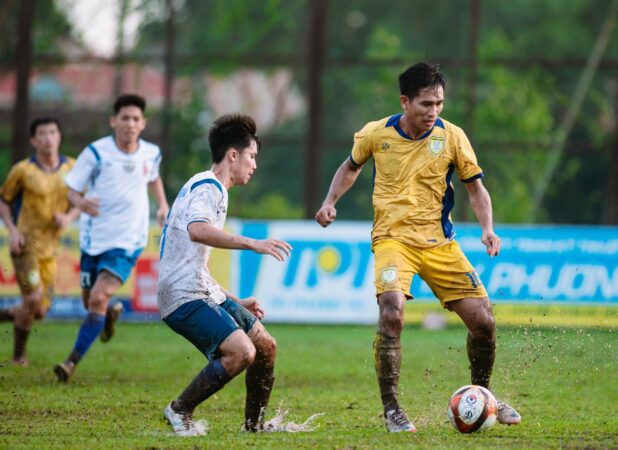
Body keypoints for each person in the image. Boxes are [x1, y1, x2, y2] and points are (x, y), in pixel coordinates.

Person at [315, 62, 522, 432]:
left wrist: (488, 228)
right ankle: (393, 409)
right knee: (392, 312)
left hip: (440, 244)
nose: (434, 112)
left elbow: (475, 187)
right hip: (393, 241)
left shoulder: (453, 137)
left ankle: (484, 396)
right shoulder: (375, 134)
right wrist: (331, 201)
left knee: (484, 322)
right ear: (405, 101)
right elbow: (350, 167)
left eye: (439, 103)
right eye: (426, 104)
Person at [159, 114, 292, 436]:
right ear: (233, 154)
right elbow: (197, 231)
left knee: (265, 347)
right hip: (182, 296)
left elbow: (193, 263)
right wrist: (252, 243)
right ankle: (180, 410)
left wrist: (234, 300)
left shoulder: (212, 187)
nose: (255, 165)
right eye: (252, 156)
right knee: (241, 352)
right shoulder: (210, 188)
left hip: (201, 289)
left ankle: (254, 427)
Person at [53, 94, 169, 381]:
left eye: (135, 119)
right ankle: (108, 317)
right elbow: (71, 191)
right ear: (113, 120)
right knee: (89, 301)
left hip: (129, 240)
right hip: (94, 239)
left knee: (98, 296)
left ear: (142, 124)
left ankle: (70, 363)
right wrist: (81, 205)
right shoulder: (95, 153)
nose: (129, 123)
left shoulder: (150, 153)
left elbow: (153, 176)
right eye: (124, 118)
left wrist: (163, 204)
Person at [0, 117, 79, 366]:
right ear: (33, 140)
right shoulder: (23, 170)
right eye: (42, 134)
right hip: (25, 247)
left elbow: (81, 199)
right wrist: (12, 231)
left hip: (51, 250)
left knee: (39, 310)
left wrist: (68, 216)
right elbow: (4, 200)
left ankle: (10, 312)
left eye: (52, 132)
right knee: (33, 299)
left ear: (59, 137)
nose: (48, 138)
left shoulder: (72, 168)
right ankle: (18, 356)